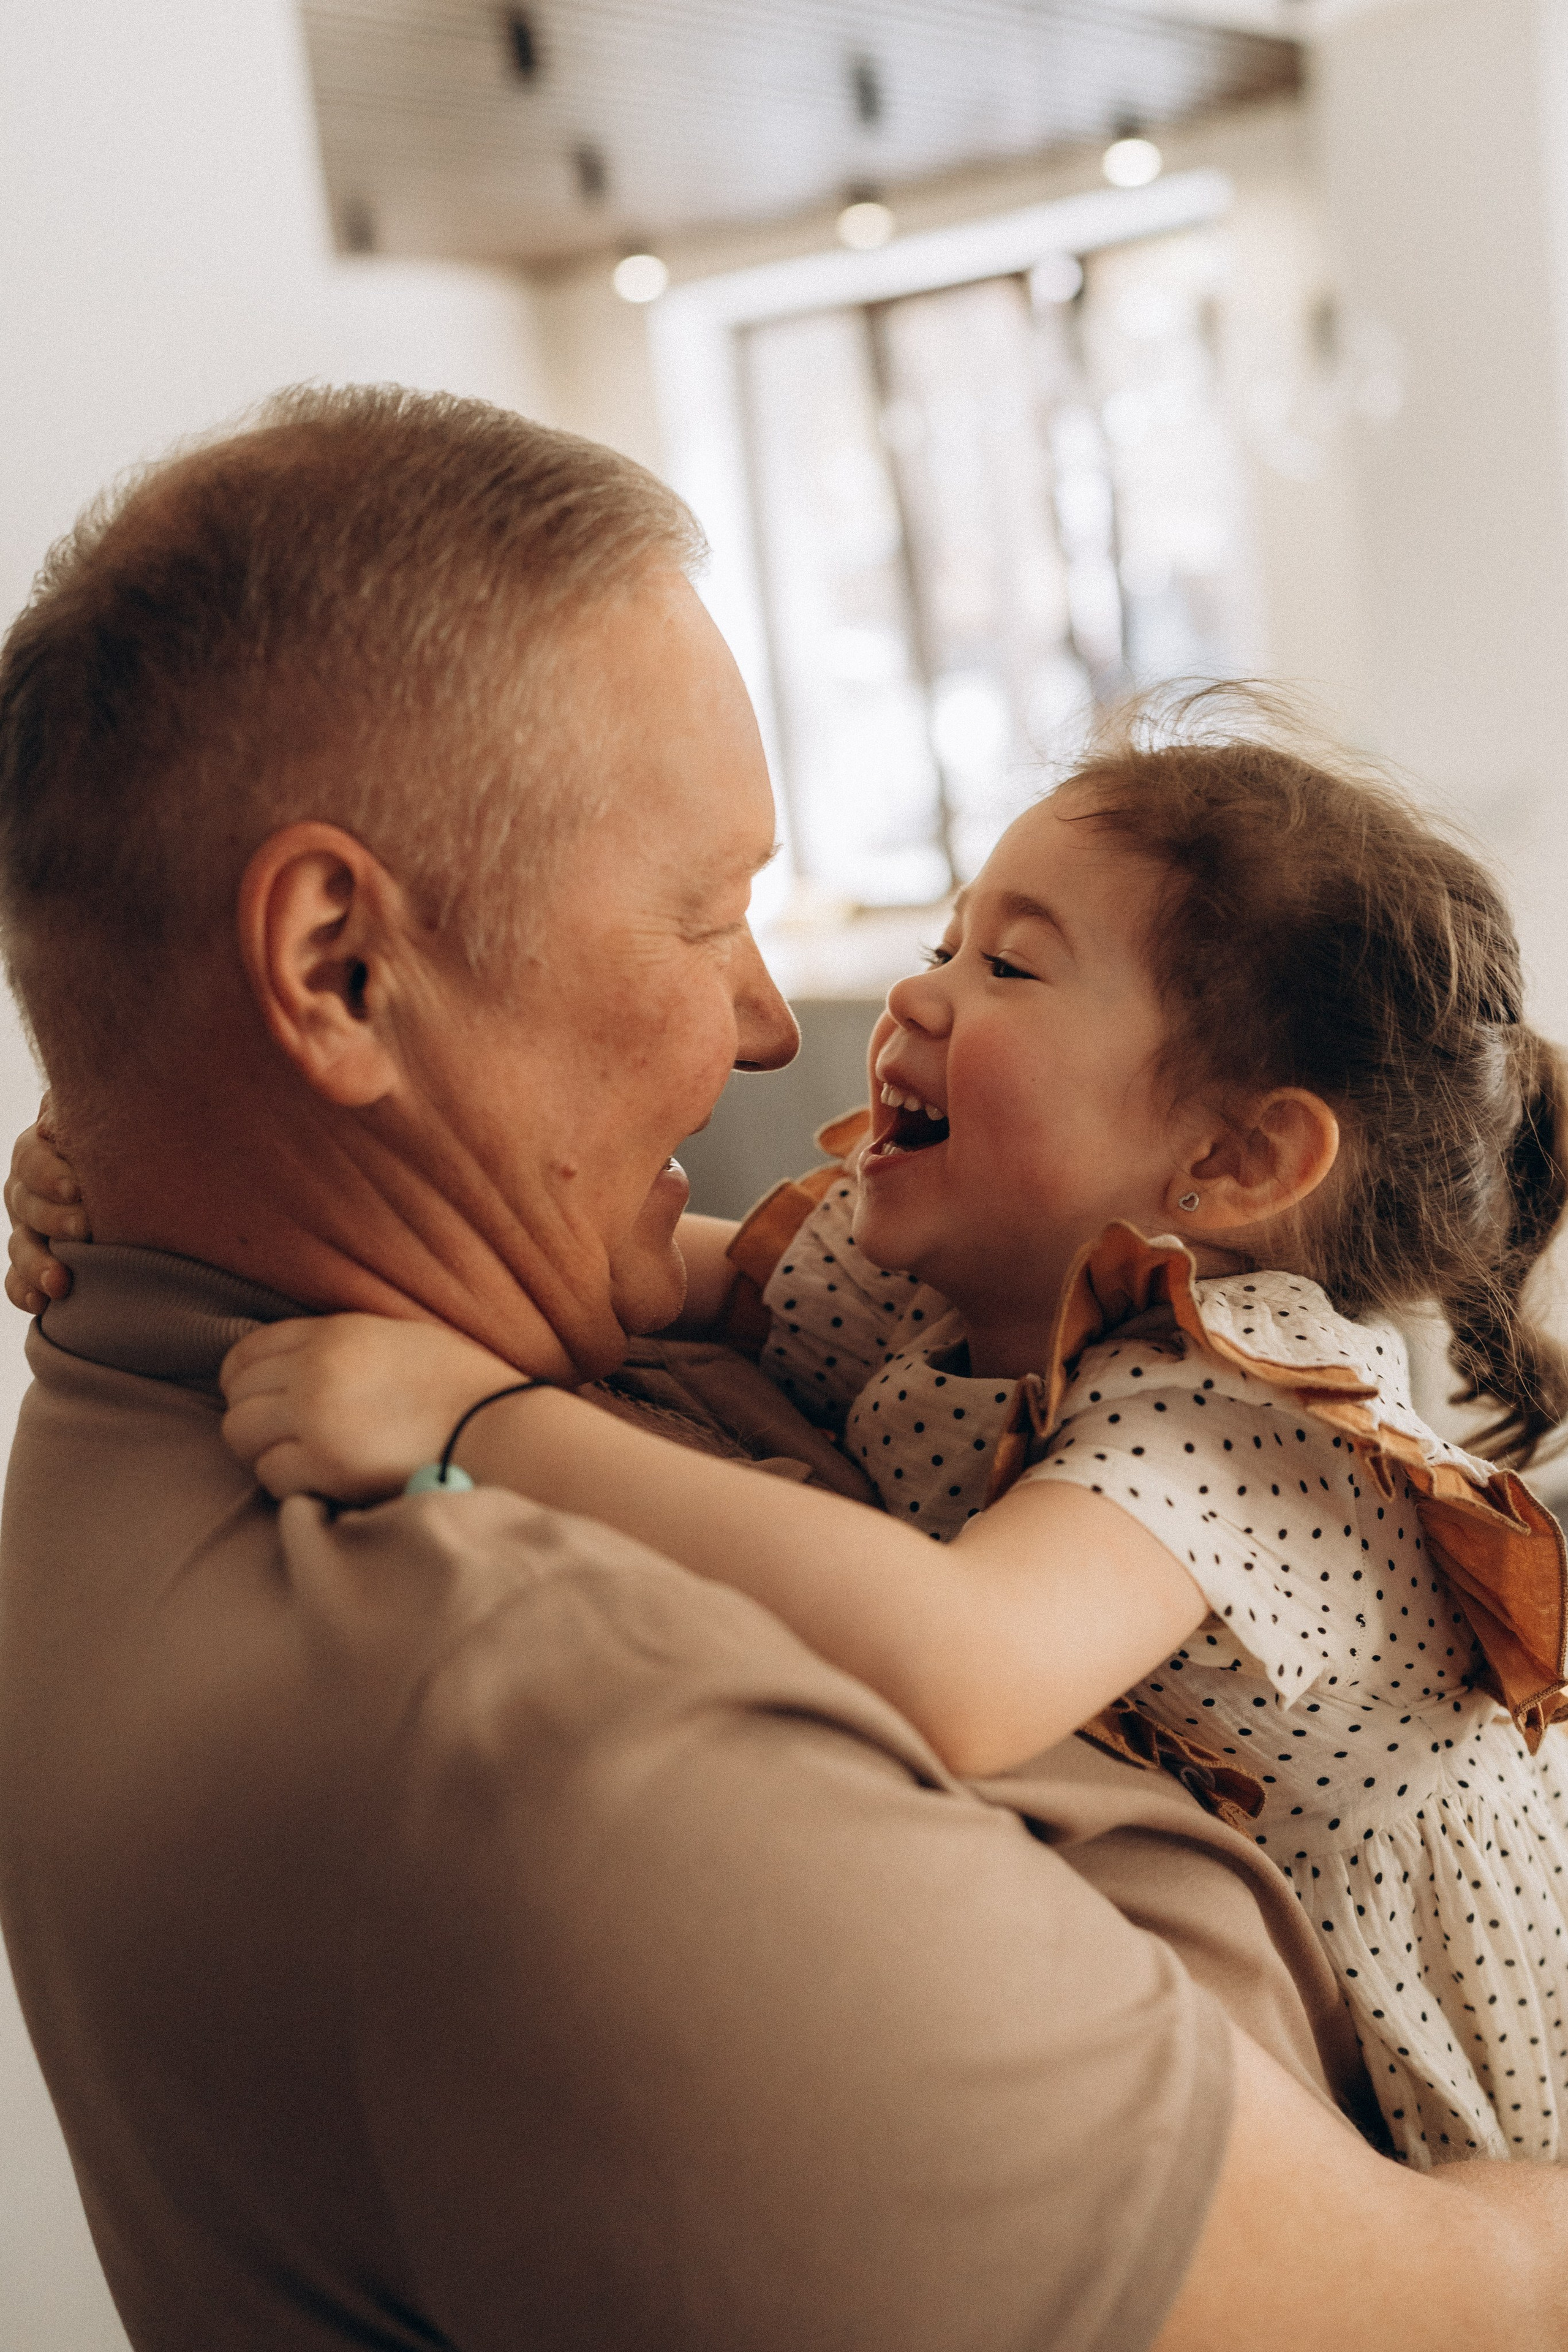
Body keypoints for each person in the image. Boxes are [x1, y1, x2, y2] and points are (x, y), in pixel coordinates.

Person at [3, 386, 1568, 2352]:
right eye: (705, 913)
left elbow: (745, 1364)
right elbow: (1458, 2305)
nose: (776, 1027)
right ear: (334, 972)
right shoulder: (600, 1776)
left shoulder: (220, 1349)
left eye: (1006, 965)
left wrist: (123, 1136)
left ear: (1239, 1160)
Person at [202, 714, 1568, 2177]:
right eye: (944, 939)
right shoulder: (939, 1282)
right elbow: (670, 1283)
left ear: (1228, 1163)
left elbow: (960, 1665)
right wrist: (220, 1170)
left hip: (1440, 2061)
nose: (915, 997)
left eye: (1008, 967)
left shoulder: (1239, 1420)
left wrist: (476, 1423)